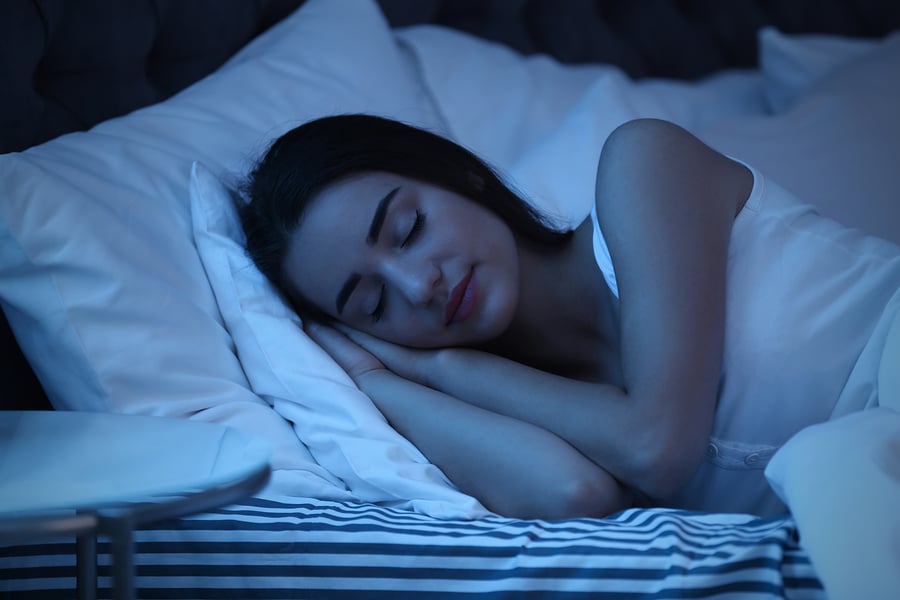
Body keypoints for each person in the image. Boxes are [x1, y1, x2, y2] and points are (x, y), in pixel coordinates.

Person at [240, 114, 900, 520]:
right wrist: (387, 381)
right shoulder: (531, 408)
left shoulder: (643, 163)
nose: (419, 287)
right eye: (373, 304)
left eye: (409, 228)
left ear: (456, 176)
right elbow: (572, 494)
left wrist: (438, 362)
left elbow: (657, 449)